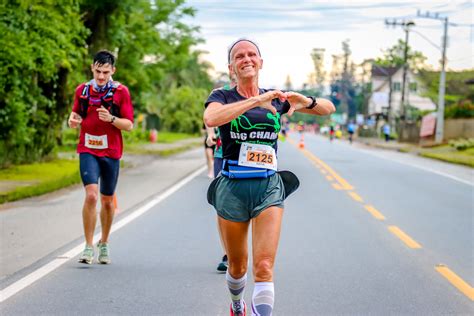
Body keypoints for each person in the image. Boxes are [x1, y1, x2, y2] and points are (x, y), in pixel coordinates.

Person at [204, 38, 335, 316]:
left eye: (252, 54)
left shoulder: (276, 98)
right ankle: (237, 304)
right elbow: (212, 119)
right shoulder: (222, 96)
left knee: (263, 266)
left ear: (261, 62)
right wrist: (257, 100)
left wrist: (305, 100)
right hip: (232, 186)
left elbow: (328, 108)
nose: (247, 59)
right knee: (237, 267)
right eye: (240, 56)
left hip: (268, 186)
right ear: (231, 67)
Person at [68, 50, 134, 264]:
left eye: (105, 72)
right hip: (87, 149)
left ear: (113, 70)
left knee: (107, 201)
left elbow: (129, 125)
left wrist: (112, 118)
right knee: (91, 196)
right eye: (98, 71)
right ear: (92, 68)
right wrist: (72, 120)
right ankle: (87, 246)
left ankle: (103, 243)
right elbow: (75, 114)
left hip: (111, 152)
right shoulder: (83, 90)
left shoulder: (121, 92)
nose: (101, 76)